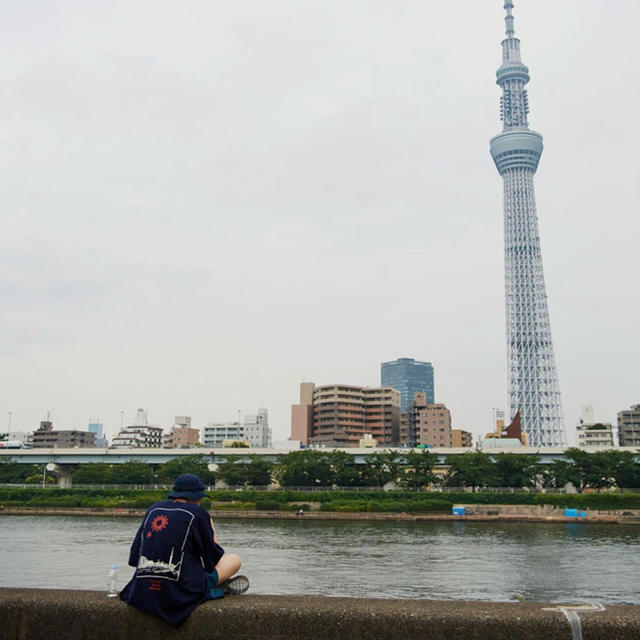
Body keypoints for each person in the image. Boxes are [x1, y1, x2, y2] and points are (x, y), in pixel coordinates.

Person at [119, 473, 249, 626]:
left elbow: (134, 558)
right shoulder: (198, 513)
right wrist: (211, 528)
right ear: (198, 497)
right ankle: (214, 585)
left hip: (142, 590)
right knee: (234, 560)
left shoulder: (153, 510)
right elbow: (212, 560)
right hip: (180, 591)